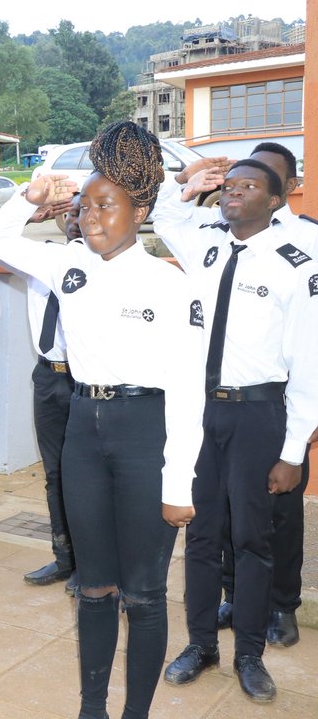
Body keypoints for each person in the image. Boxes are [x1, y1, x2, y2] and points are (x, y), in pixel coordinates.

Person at [0, 121, 205, 719]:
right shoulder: (68, 265)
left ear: (142, 208)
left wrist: (179, 483)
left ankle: (135, 713)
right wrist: (27, 199)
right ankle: (91, 708)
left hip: (143, 434)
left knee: (145, 593)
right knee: (94, 586)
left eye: (107, 206)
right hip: (82, 426)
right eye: (84, 206)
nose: (92, 218)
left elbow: (187, 389)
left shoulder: (172, 284)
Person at [154, 158, 318, 703]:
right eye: (228, 186)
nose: (232, 194)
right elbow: (161, 216)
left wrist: (293, 450)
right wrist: (185, 185)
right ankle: (201, 644)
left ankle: (250, 653)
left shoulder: (296, 262)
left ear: (276, 201)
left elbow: (309, 365)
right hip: (200, 410)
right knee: (200, 537)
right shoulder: (203, 241)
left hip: (257, 415)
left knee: (253, 541)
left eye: (248, 187)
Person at [0, 194, 83, 587]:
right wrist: (27, 214)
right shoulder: (43, 259)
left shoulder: (103, 268)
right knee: (54, 473)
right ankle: (64, 558)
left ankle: (92, 565)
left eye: (86, 210)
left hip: (86, 381)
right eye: (72, 212)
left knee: (87, 477)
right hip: (48, 378)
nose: (77, 219)